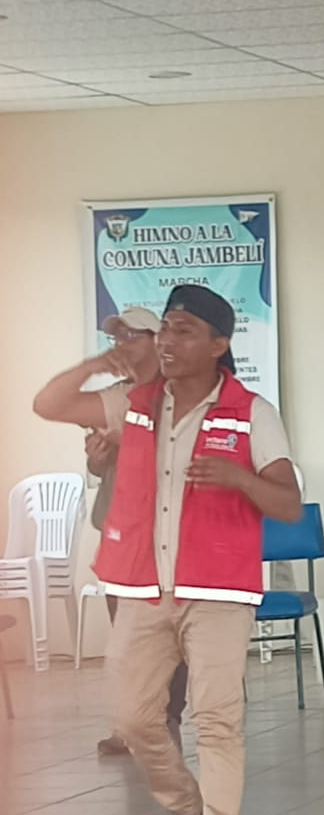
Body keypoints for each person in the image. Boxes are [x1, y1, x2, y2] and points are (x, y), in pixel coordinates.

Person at [95, 285, 300, 815]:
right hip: (146, 588)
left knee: (216, 720)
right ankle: (187, 803)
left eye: (182, 330)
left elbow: (289, 505)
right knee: (132, 719)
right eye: (164, 328)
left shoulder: (253, 412)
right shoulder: (138, 405)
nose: (166, 340)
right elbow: (52, 409)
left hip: (219, 592)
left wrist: (239, 478)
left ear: (218, 345)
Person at [32, 306, 188, 757]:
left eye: (132, 336)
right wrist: (92, 367)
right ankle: (132, 722)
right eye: (116, 337)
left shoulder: (181, 394)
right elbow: (47, 404)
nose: (121, 345)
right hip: (123, 536)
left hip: (172, 536)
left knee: (168, 637)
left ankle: (164, 720)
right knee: (127, 638)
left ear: (158, 341)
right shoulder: (120, 397)